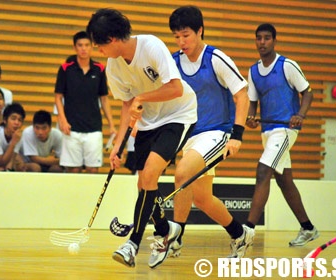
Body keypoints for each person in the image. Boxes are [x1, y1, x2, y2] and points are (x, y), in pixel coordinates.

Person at [86, 8, 197, 269]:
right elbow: (127, 106)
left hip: (178, 115)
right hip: (148, 121)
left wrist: (141, 99)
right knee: (144, 185)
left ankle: (132, 244)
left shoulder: (151, 46)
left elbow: (176, 87)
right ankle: (164, 228)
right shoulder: (113, 67)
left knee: (149, 176)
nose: (98, 52)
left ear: (112, 39)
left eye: (99, 46)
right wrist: (117, 145)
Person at [167, 5, 253, 260]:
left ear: (200, 31)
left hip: (217, 132)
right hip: (190, 136)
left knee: (182, 173)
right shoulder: (173, 62)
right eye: (176, 37)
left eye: (186, 35)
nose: (181, 41)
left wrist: (237, 135)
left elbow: (242, 95)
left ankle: (175, 238)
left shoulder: (215, 58)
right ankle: (240, 234)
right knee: (202, 199)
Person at [245, 23, 318, 247]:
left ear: (274, 41)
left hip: (286, 130)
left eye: (267, 38)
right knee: (284, 181)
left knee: (262, 171)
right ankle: (308, 228)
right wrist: (250, 117)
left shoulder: (287, 65)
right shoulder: (253, 71)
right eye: (259, 38)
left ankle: (245, 233)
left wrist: (300, 115)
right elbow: (253, 102)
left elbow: (307, 92)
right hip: (267, 132)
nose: (262, 42)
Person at [54, 31, 116, 174]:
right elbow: (58, 97)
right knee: (73, 169)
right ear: (75, 47)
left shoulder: (99, 69)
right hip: (71, 127)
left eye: (87, 45)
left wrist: (111, 124)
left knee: (92, 169)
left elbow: (104, 99)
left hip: (93, 127)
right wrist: (62, 120)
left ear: (92, 47)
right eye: (80, 45)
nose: (83, 48)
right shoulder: (65, 69)